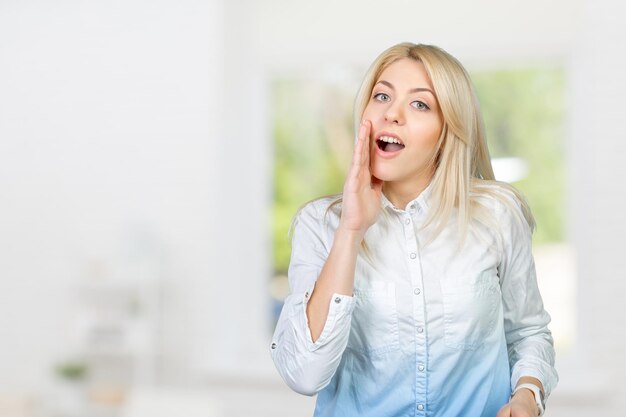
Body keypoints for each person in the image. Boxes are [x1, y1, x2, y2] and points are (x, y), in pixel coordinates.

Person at [270, 42, 558, 417]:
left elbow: (528, 333)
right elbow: (304, 375)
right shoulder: (321, 225)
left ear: (447, 130)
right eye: (382, 95)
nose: (392, 113)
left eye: (419, 104)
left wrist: (527, 396)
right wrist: (351, 230)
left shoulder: (498, 215)